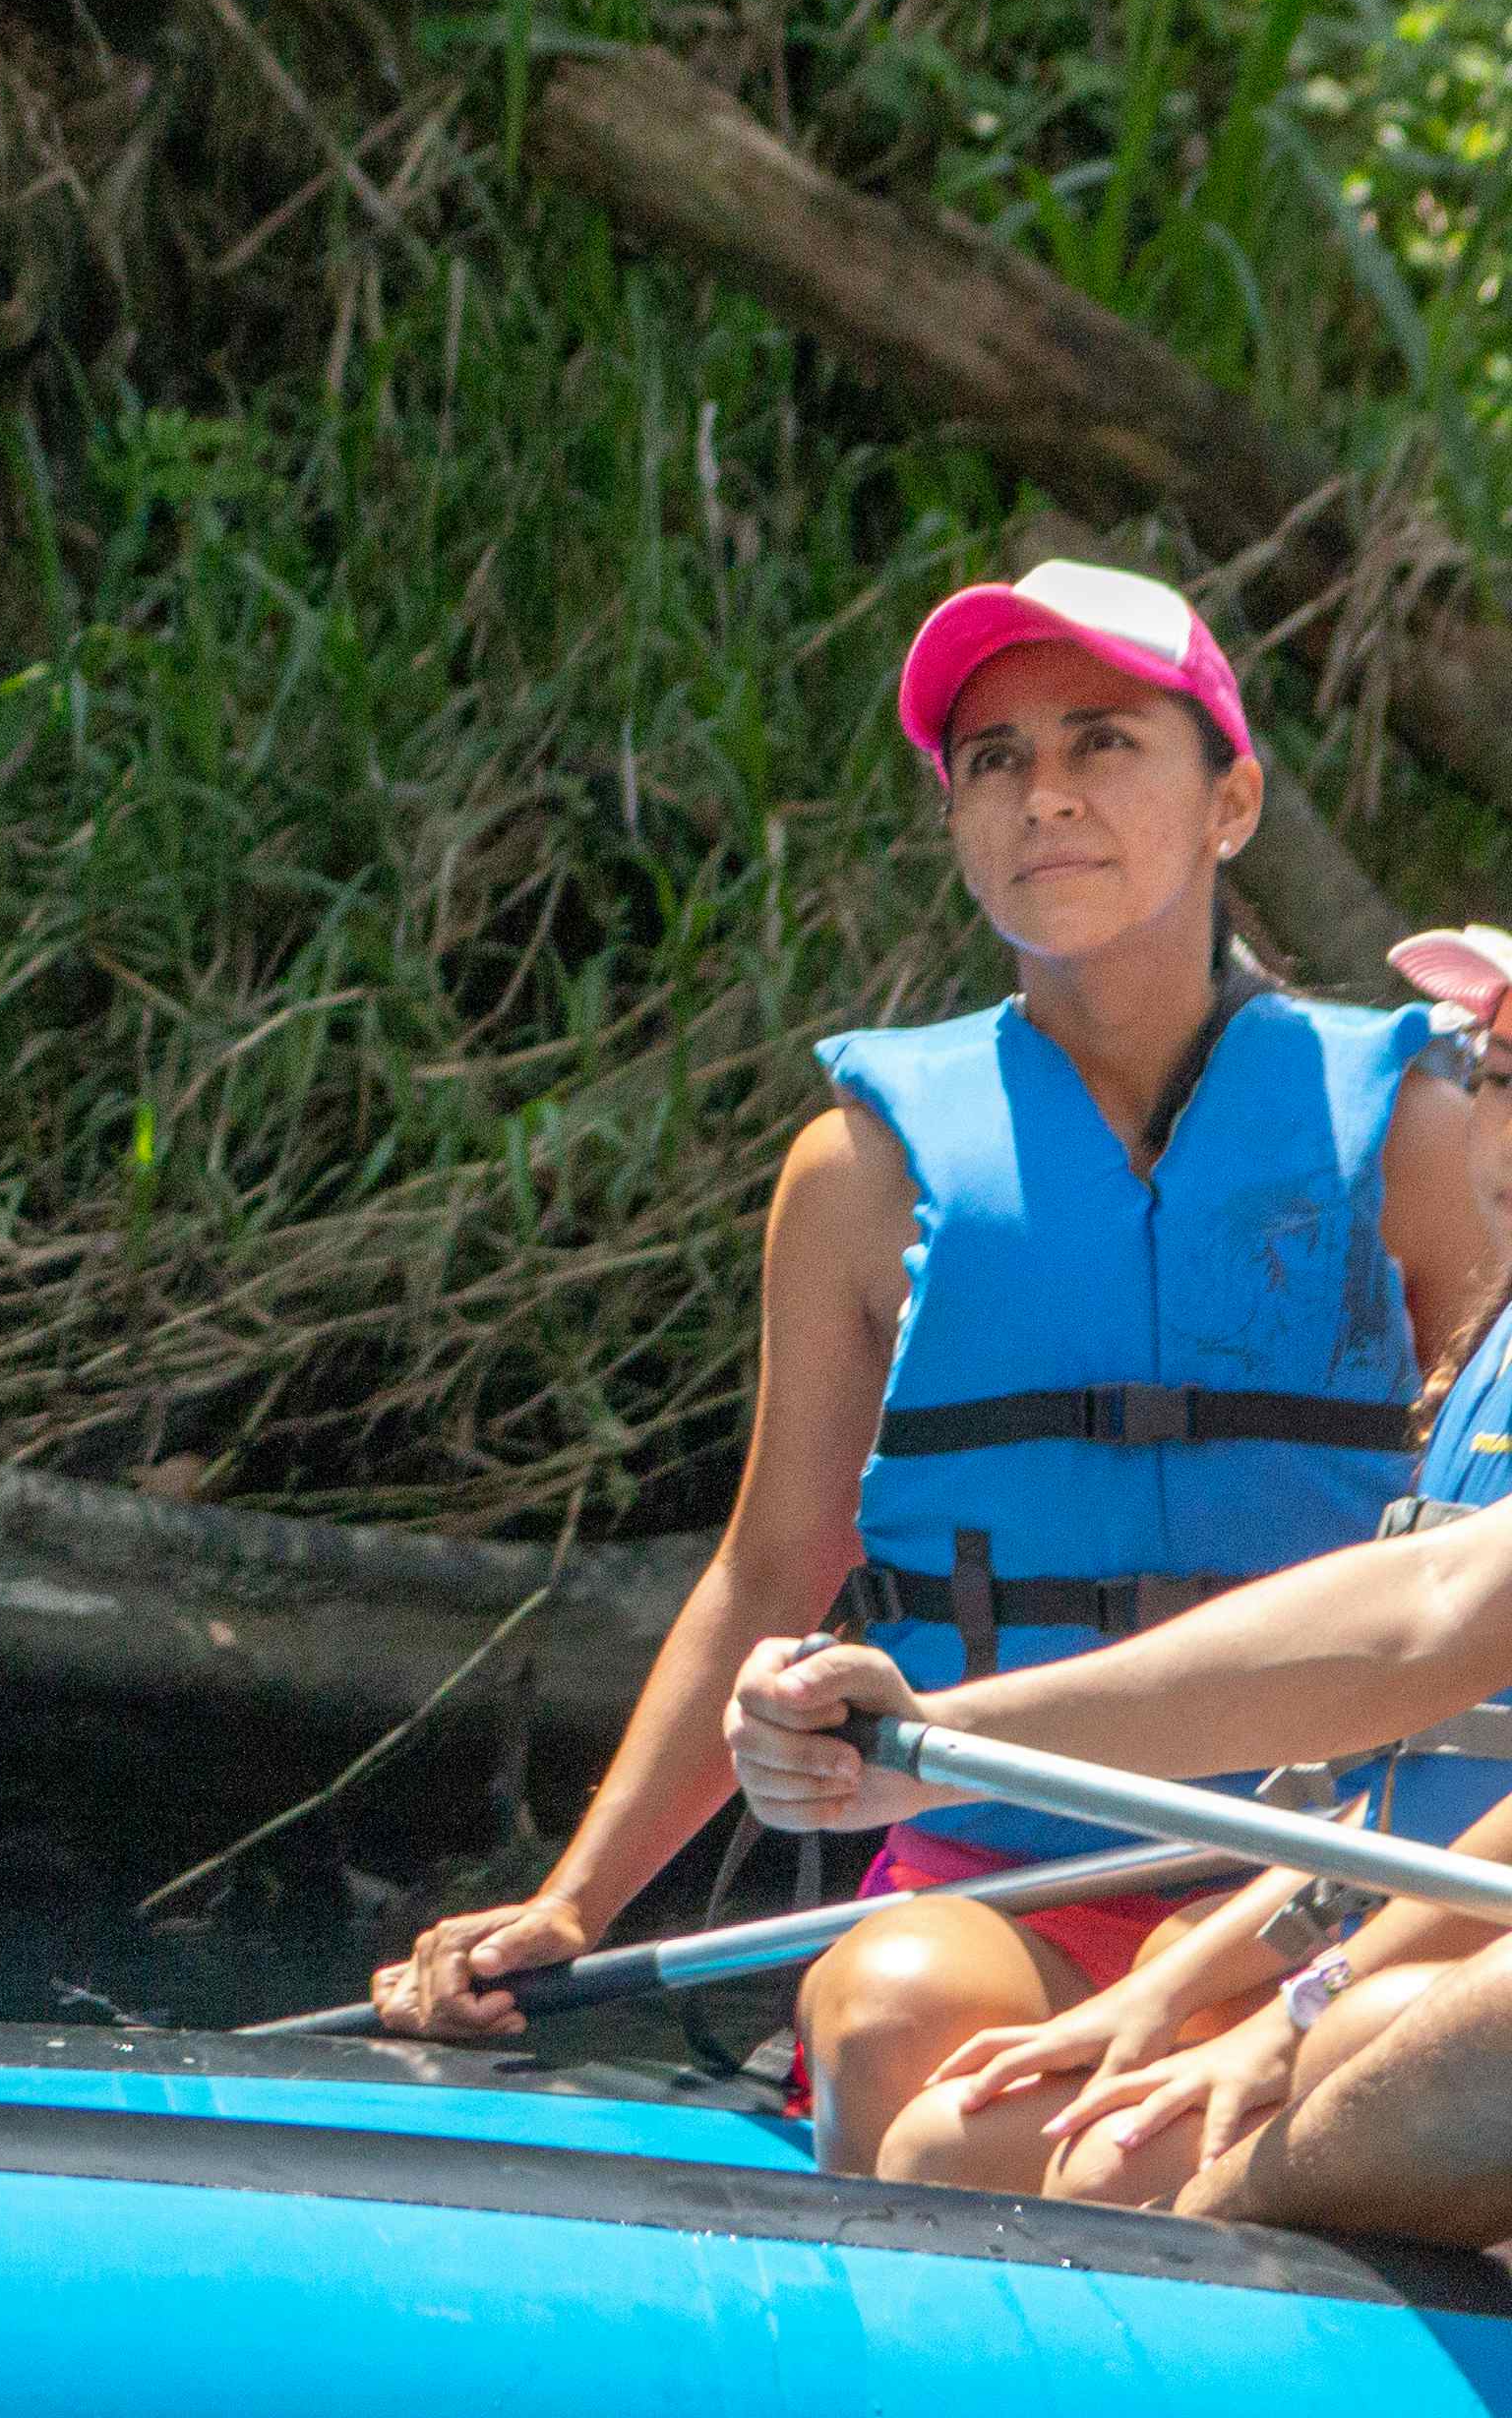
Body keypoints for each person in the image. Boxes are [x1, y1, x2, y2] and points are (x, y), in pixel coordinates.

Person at [375, 562, 1503, 2181]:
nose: (1045, 794)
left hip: (1325, 1869)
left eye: (1103, 741)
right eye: (994, 759)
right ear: (956, 817)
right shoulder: (858, 1173)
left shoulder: (1425, 1133)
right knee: (892, 2017)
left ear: (1232, 801)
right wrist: (574, 1901)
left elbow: (1468, 1546)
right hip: (998, 1870)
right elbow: (775, 1561)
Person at [827, 922, 1512, 2214]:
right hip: (1399, 1921)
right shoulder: (1495, 1350)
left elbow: (1431, 1634)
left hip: (1447, 1968)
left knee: (1132, 2160)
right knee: (954, 2141)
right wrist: (1184, 1987)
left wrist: (1299, 2005)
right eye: (1503, 1080)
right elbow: (1417, 1728)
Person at [729, 1491, 1512, 2246]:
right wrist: (933, 1743)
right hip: (1400, 1941)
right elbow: (1434, 1603)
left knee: (1101, 2168)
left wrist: (1295, 2017)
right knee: (945, 2134)